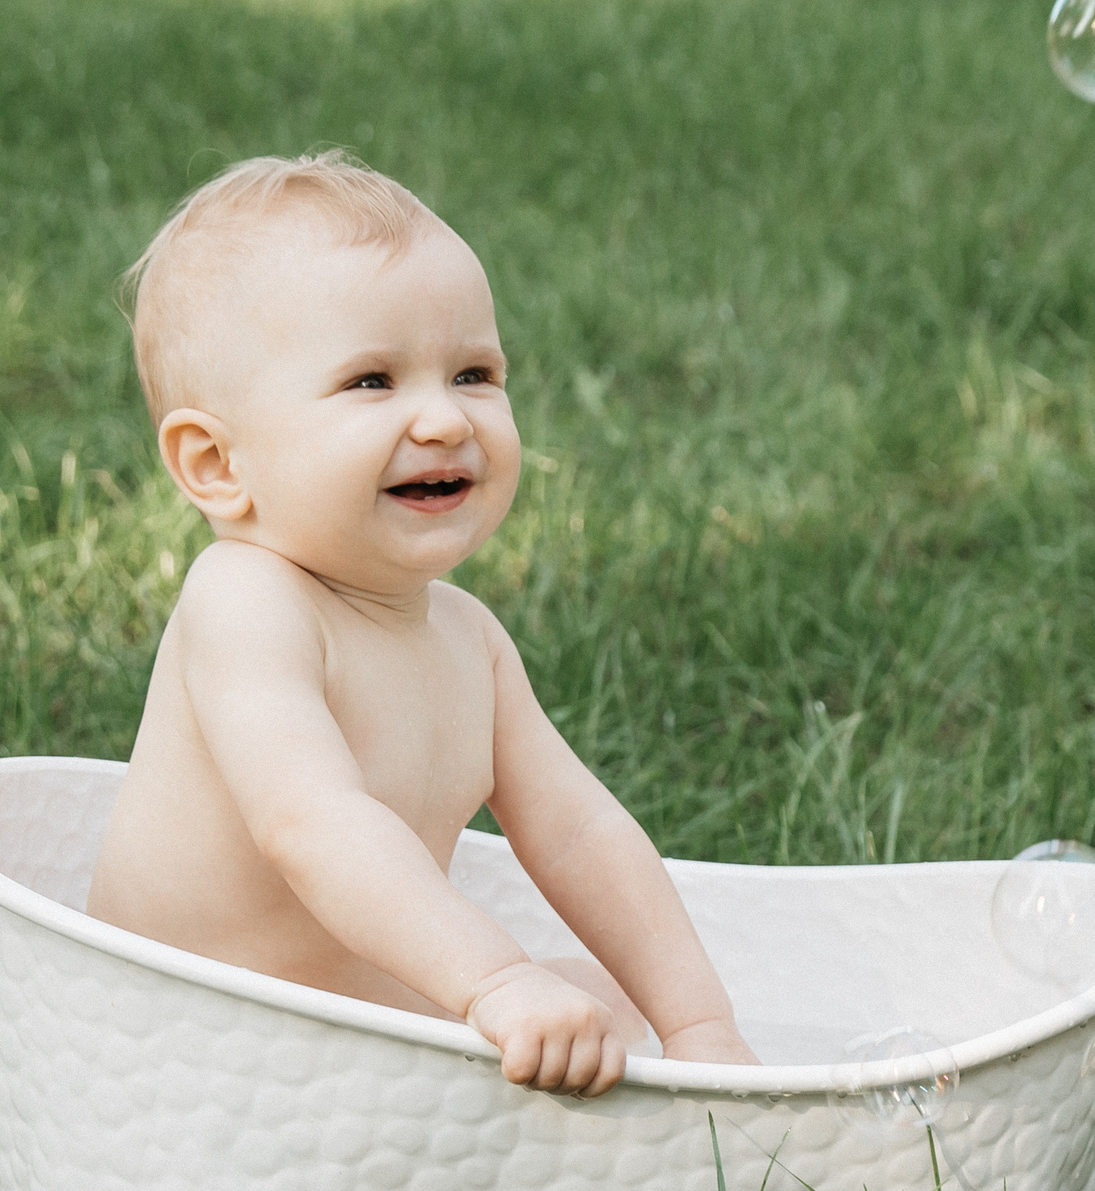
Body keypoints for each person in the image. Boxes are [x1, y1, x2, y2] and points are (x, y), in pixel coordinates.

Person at [86, 151, 754, 1098]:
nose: (443, 420)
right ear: (215, 465)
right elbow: (313, 822)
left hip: (361, 1035)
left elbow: (579, 834)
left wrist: (700, 1024)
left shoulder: (469, 638)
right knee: (550, 1006)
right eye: (371, 381)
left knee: (613, 1002)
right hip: (191, 1052)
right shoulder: (244, 601)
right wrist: (495, 980)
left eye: (475, 372)